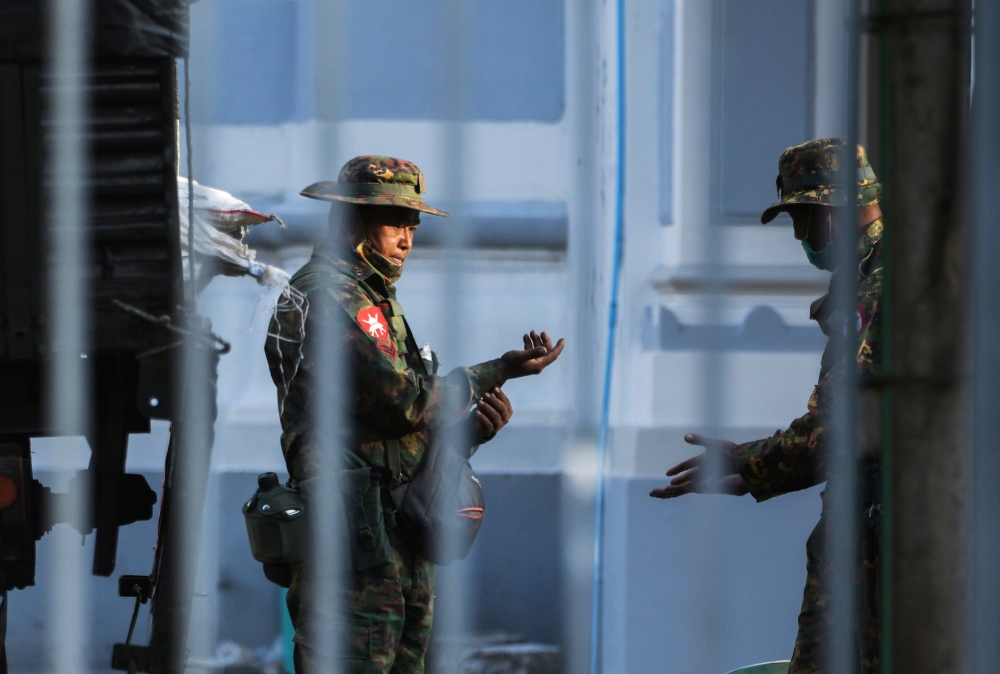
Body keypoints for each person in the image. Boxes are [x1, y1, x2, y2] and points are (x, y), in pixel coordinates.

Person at [264, 155, 565, 674]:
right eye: (394, 224)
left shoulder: (374, 299)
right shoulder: (331, 295)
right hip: (352, 546)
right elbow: (406, 402)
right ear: (352, 221)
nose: (406, 240)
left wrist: (464, 436)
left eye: (412, 227)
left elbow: (390, 429)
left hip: (396, 537)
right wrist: (496, 370)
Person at [649, 138, 884, 674]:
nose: (800, 237)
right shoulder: (869, 276)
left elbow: (839, 427)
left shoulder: (878, 286)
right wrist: (755, 472)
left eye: (802, 218)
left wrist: (748, 460)